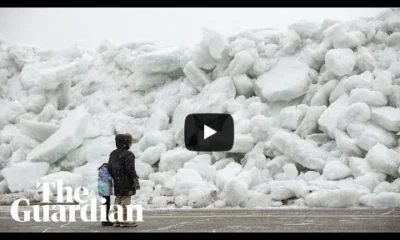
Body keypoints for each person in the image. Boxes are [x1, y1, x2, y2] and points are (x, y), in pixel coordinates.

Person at [107, 133, 140, 227]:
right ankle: (125, 220)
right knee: (126, 199)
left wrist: (115, 176)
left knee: (118, 199)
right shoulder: (128, 154)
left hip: (117, 180)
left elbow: (109, 167)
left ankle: (117, 219)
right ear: (126, 143)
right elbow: (130, 169)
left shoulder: (113, 153)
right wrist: (134, 179)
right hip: (127, 181)